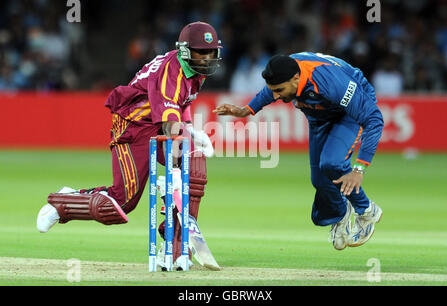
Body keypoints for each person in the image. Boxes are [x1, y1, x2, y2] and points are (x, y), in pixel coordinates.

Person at [36, 21, 220, 265]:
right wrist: (180, 155)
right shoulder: (170, 71)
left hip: (158, 122)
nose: (207, 58)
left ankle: (176, 236)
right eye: (201, 52)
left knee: (193, 163)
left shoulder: (195, 70)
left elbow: (181, 103)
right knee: (123, 201)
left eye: (211, 52)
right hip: (134, 126)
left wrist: (193, 134)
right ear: (185, 50)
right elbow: (169, 123)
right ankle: (64, 203)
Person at [214, 53, 384, 250]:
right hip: (320, 115)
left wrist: (359, 169)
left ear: (296, 78)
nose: (276, 96)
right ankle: (340, 213)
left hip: (347, 113)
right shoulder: (286, 72)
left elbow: (373, 119)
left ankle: (367, 211)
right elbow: (271, 90)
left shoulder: (330, 82)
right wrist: (246, 110)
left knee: (332, 163)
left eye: (280, 90)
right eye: (274, 91)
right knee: (320, 180)